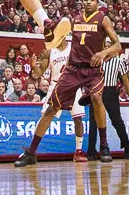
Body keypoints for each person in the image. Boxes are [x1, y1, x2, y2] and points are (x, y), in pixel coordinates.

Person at [15, 0, 120, 167]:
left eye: (92, 0)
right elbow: (56, 32)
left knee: (96, 98)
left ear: (97, 3)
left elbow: (117, 46)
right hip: (73, 70)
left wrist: (103, 53)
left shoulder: (103, 19)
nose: (88, 2)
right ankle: (31, 152)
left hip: (93, 70)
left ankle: (104, 146)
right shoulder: (74, 20)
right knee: (51, 108)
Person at [32, 28, 88, 162]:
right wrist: (34, 66)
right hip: (56, 85)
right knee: (45, 118)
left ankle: (78, 151)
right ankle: (32, 150)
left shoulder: (74, 48)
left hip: (73, 85)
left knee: (78, 119)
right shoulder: (49, 51)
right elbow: (40, 73)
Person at [91, 42, 129, 160]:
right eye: (104, 46)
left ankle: (126, 144)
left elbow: (125, 81)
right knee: (94, 122)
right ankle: (91, 150)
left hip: (111, 92)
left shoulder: (119, 62)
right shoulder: (96, 61)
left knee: (117, 121)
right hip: (96, 92)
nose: (106, 48)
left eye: (109, 46)